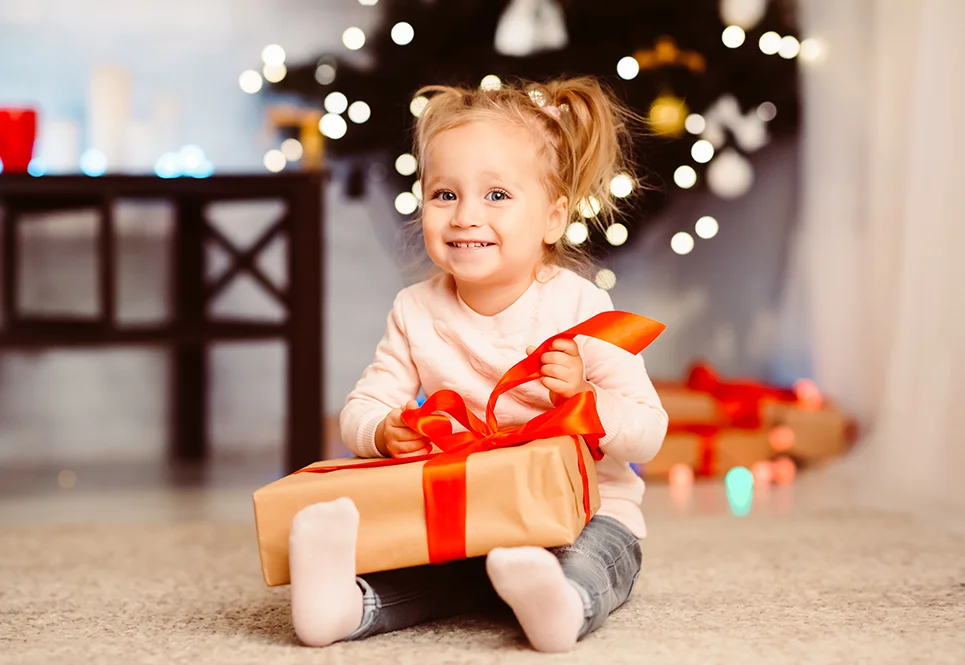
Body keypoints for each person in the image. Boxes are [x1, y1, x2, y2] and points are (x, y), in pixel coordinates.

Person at [288, 77, 668, 653]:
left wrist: (583, 400)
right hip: (470, 516)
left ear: (552, 218)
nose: (465, 216)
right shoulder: (415, 310)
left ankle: (561, 603)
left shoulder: (579, 308)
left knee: (597, 558)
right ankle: (345, 606)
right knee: (424, 567)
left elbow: (648, 433)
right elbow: (360, 409)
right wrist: (381, 431)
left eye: (496, 196)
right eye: (445, 195)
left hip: (585, 514)